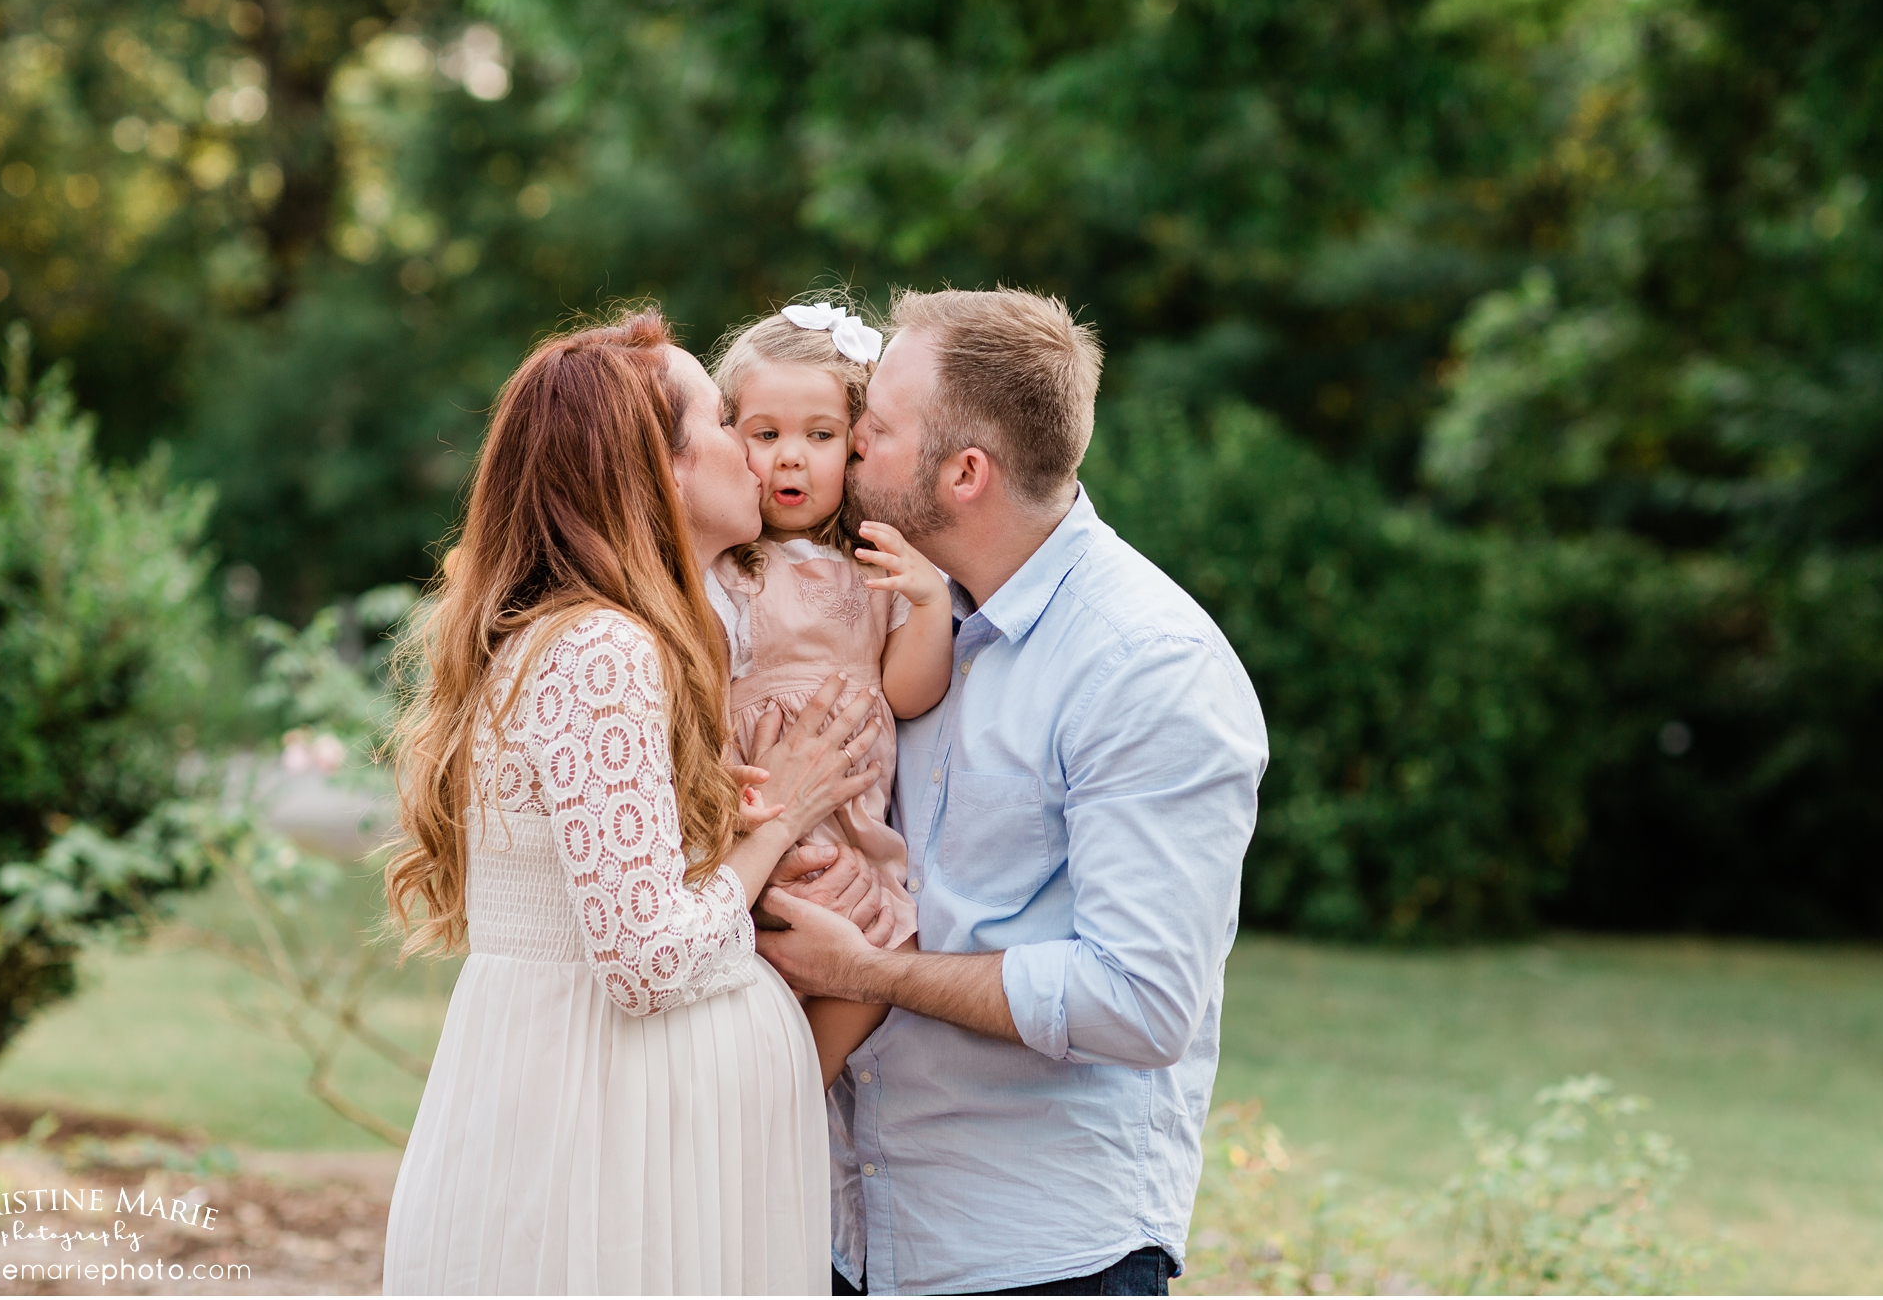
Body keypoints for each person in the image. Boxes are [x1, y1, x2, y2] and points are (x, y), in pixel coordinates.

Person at [755, 288, 1271, 1296]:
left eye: (876, 430)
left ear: (964, 473)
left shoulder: (1144, 668)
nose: (846, 445)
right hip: (836, 1239)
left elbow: (1140, 999)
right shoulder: (895, 612)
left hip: (1035, 1257)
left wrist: (875, 973)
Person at [379, 310, 890, 1295]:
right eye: (720, 423)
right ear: (655, 472)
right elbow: (646, 955)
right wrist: (780, 817)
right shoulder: (600, 650)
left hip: (628, 1120)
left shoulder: (600, 642)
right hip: (616, 1142)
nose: (752, 454)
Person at [709, 295, 956, 950]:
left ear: (854, 445)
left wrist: (930, 604)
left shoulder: (876, 564)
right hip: (760, 802)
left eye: (819, 435)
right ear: (729, 439)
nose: (792, 456)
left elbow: (908, 692)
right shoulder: (725, 570)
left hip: (854, 812)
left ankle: (809, 1062)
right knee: (774, 949)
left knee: (884, 950)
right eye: (767, 436)